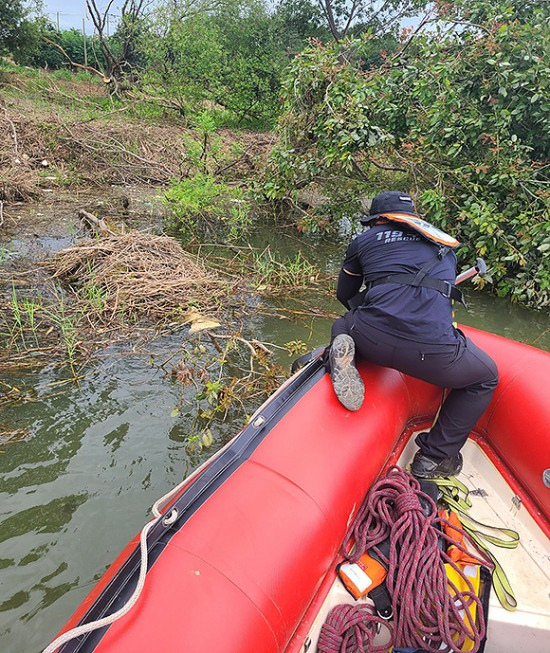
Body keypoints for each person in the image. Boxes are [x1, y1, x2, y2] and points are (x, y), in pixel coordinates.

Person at [328, 191, 499, 478]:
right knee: (485, 377)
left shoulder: (364, 241)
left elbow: (344, 294)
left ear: (378, 219)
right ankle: (433, 458)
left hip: (372, 338)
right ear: (416, 219)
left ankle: (342, 344)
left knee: (345, 323)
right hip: (433, 352)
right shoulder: (444, 246)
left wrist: (372, 312)